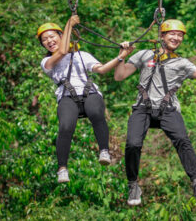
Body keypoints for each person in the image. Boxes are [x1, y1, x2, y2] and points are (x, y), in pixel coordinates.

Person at [114, 19, 196, 205]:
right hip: (143, 108)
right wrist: (122, 56)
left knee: (183, 140)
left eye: (180, 35)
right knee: (132, 144)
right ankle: (133, 185)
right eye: (173, 34)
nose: (176, 38)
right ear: (162, 36)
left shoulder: (182, 64)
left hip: (167, 109)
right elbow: (119, 76)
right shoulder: (144, 55)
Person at [38, 15, 132, 183]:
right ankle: (62, 168)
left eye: (52, 36)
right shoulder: (47, 62)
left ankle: (104, 150)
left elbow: (102, 70)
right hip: (67, 96)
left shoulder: (83, 55)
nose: (49, 41)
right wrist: (68, 24)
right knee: (66, 126)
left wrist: (121, 56)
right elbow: (62, 51)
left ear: (61, 36)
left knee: (96, 112)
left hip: (89, 92)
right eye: (45, 40)